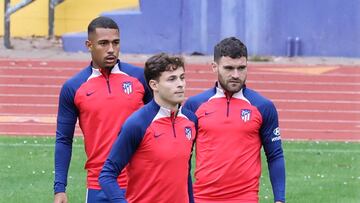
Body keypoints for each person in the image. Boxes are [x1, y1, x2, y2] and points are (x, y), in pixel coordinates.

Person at [53, 16, 152, 203]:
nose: (111, 50)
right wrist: (60, 188)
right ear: (89, 45)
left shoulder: (141, 79)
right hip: (98, 186)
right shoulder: (73, 87)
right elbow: (64, 140)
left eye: (116, 43)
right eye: (103, 43)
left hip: (139, 183)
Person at [184, 37, 286, 203]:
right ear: (214, 67)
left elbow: (275, 155)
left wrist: (279, 199)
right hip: (202, 198)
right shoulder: (194, 106)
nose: (236, 75)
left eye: (241, 68)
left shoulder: (263, 107)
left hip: (245, 198)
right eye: (229, 68)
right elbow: (183, 158)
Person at [99, 53, 197, 203]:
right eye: (172, 79)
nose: (180, 84)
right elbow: (107, 175)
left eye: (182, 77)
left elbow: (185, 173)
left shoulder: (191, 121)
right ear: (154, 85)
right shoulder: (138, 124)